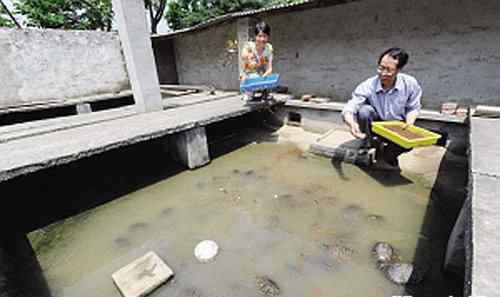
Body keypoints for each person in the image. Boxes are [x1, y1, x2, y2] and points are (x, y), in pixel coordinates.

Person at [342, 47, 422, 170]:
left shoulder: (410, 84)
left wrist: (409, 125)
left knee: (408, 145)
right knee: (364, 111)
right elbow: (351, 106)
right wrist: (352, 123)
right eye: (381, 68)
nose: (383, 73)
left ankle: (388, 153)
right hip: (376, 126)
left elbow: (413, 107)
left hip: (397, 126)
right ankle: (369, 144)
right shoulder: (369, 84)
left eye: (389, 70)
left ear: (399, 70)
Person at [240, 21, 273, 101]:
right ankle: (248, 94)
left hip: (261, 77)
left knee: (269, 78)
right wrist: (248, 57)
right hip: (248, 77)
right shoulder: (249, 46)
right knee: (253, 77)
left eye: (265, 36)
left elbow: (269, 68)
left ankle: (264, 92)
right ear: (255, 36)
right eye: (259, 36)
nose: (262, 39)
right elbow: (244, 57)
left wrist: (263, 78)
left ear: (268, 37)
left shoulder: (269, 48)